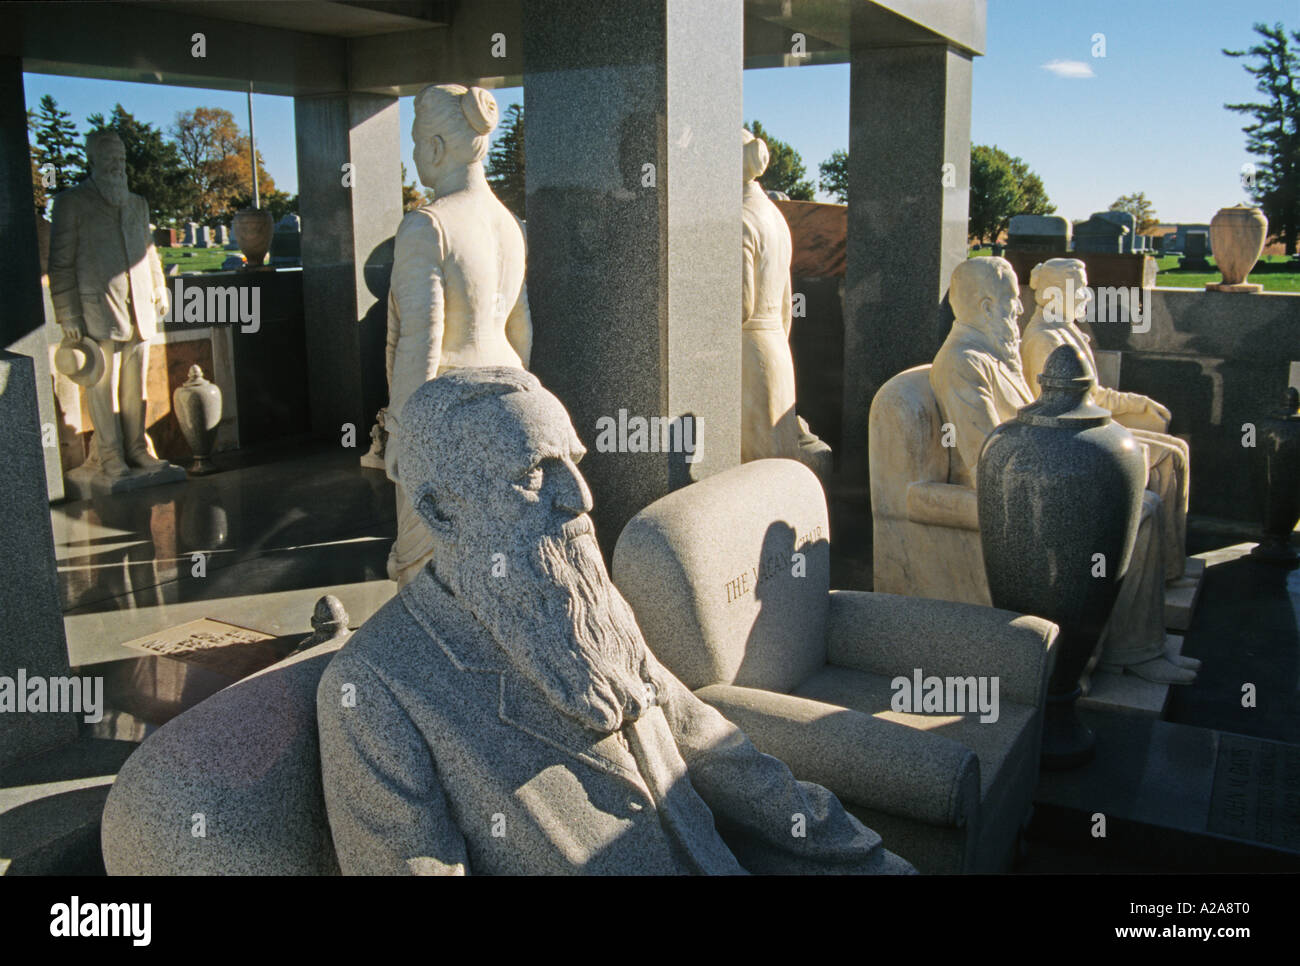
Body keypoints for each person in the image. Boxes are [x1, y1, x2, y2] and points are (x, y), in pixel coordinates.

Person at [317, 367, 913, 875]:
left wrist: (851, 848)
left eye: (573, 463)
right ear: (442, 510)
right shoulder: (376, 687)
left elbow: (712, 747)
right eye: (532, 475)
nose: (580, 497)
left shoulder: (587, 605)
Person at [385, 83, 532, 586]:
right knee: (495, 551)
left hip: (446, 408)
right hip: (510, 397)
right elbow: (522, 330)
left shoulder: (427, 226)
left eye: (416, 141)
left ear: (435, 146)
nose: (415, 154)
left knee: (428, 560)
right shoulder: (511, 224)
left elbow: (421, 341)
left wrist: (402, 433)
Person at [48, 129, 171, 478]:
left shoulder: (137, 203)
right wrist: (67, 312)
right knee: (103, 386)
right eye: (109, 155)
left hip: (140, 309)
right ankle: (109, 454)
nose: (117, 162)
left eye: (120, 155)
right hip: (98, 310)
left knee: (136, 387)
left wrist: (159, 286)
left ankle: (136, 448)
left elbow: (149, 253)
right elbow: (61, 263)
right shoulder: (72, 202)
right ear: (93, 159)